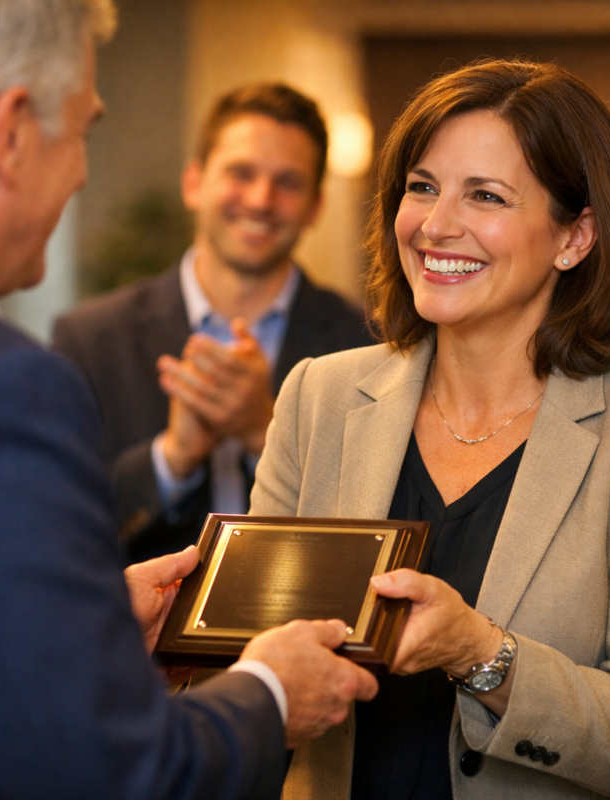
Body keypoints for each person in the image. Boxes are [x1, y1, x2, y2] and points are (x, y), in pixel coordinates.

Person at [0, 2, 377, 798]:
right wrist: (270, 693)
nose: (83, 170)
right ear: (12, 131)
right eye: (83, 127)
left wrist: (75, 625)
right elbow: (112, 778)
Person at [250, 59, 610, 799]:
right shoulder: (319, 397)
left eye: (486, 195)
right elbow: (248, 655)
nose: (436, 225)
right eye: (422, 186)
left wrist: (484, 656)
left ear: (575, 238)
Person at [52, 83, 371, 562]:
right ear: (194, 184)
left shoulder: (368, 344)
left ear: (315, 207)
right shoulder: (91, 339)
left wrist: (267, 434)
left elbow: (379, 530)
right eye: (240, 173)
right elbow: (59, 526)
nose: (261, 200)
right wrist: (173, 458)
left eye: (288, 183)